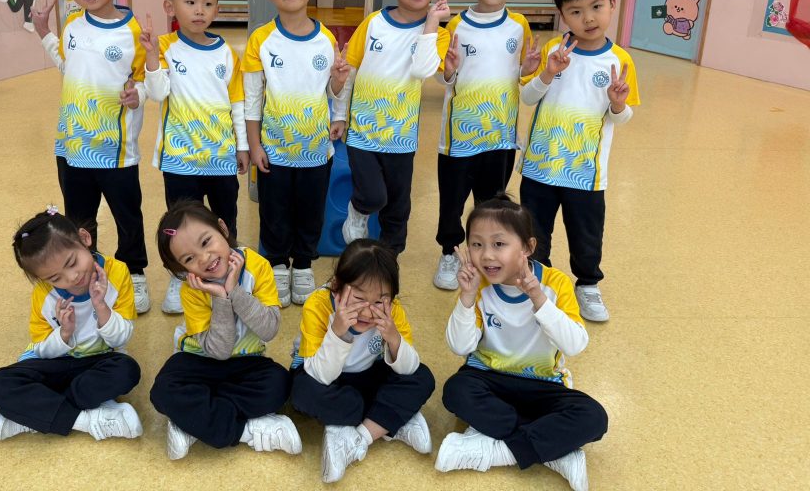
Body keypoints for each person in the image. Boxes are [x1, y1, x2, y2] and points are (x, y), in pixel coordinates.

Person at [436, 195, 607, 491]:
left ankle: (498, 450)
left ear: (527, 247)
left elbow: (575, 345)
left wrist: (539, 299)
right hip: (487, 378)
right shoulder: (478, 285)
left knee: (594, 418)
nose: (487, 255)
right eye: (476, 244)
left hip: (543, 384)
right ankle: (552, 450)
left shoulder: (555, 283)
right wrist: (466, 297)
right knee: (456, 391)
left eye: (499, 244)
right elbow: (460, 347)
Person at [30, 0, 153, 313]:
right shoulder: (72, 24)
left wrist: (139, 95)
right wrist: (43, 32)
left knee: (127, 214)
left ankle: (134, 271)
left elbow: (147, 80)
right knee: (80, 219)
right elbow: (67, 66)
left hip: (115, 151)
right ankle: (88, 270)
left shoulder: (134, 32)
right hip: (72, 147)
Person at [518, 0, 639, 321]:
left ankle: (587, 284)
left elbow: (622, 118)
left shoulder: (620, 60)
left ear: (612, 4)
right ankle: (538, 281)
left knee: (586, 233)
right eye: (575, 11)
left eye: (596, 7)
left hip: (585, 174)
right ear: (562, 15)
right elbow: (527, 97)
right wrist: (547, 73)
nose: (588, 18)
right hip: (540, 167)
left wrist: (617, 104)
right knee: (535, 231)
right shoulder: (555, 49)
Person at [149, 202, 301, 460]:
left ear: (222, 228)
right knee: (163, 391)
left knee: (280, 384)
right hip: (199, 359)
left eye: (206, 242)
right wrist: (220, 297)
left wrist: (234, 291)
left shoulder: (258, 266)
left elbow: (269, 330)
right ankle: (246, 431)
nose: (204, 258)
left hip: (248, 361)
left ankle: (195, 421)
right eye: (189, 259)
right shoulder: (191, 289)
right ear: (182, 269)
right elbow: (218, 351)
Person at [243, 0, 348, 307]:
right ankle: (276, 263)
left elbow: (331, 90)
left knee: (310, 211)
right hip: (274, 151)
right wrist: (254, 144)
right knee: (274, 212)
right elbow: (252, 99)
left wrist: (338, 97)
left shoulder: (326, 39)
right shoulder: (261, 40)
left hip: (316, 152)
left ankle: (302, 264)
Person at [142, 0, 249, 315]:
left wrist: (242, 146)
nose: (199, 10)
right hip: (180, 160)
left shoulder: (226, 53)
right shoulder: (165, 46)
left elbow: (237, 103)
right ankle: (180, 278)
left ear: (217, 8)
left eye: (208, 3)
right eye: (190, 2)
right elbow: (157, 93)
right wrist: (153, 58)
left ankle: (231, 274)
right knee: (181, 226)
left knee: (224, 219)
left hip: (220, 159)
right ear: (170, 6)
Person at [0, 208, 143, 441]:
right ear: (43, 279)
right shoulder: (43, 293)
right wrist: (64, 333)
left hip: (99, 360)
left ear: (85, 238)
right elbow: (41, 350)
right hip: (55, 362)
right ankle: (84, 420)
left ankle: (33, 415)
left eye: (72, 262)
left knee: (126, 370)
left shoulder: (117, 272)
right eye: (55, 278)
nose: (71, 277)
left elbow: (121, 338)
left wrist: (101, 307)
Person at [433, 0, 539, 290]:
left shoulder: (519, 26)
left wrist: (527, 69)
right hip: (459, 140)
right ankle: (450, 252)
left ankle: (489, 256)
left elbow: (520, 77)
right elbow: (444, 78)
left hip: (500, 138)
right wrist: (448, 70)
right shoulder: (456, 26)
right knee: (452, 202)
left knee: (492, 204)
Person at [290, 239, 435, 483]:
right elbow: (319, 375)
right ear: (336, 287)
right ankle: (391, 419)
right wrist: (338, 333)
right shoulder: (318, 304)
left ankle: (358, 437)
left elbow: (409, 368)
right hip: (326, 378)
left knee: (423, 377)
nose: (368, 312)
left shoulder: (393, 310)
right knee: (300, 391)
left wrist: (393, 338)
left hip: (368, 376)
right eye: (358, 298)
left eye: (379, 302)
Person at [340, 0, 451, 254]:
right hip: (363, 132)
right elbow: (349, 69)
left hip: (402, 137)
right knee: (373, 195)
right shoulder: (374, 23)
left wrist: (431, 22)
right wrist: (340, 115)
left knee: (398, 206)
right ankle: (358, 212)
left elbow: (423, 69)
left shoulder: (439, 34)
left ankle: (390, 258)